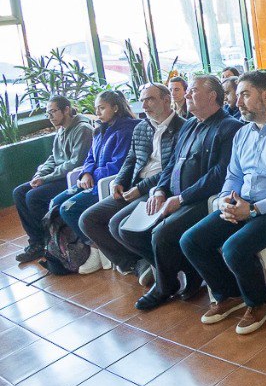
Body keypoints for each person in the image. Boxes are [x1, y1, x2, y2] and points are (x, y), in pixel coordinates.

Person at [179, 71, 266, 334]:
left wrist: (252, 210)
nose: (237, 102)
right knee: (191, 240)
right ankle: (229, 294)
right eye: (237, 95)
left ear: (265, 95)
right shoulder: (242, 134)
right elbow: (234, 175)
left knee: (234, 248)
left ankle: (259, 302)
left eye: (244, 94)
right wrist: (225, 200)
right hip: (244, 204)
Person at [129, 76, 241, 311]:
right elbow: (171, 164)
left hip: (202, 200)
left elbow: (219, 175)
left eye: (192, 91)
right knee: (126, 228)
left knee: (160, 234)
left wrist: (181, 199)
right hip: (172, 195)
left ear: (212, 96)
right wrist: (159, 189)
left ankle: (164, 287)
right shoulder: (190, 124)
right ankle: (188, 270)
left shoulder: (229, 127)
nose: (186, 95)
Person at [79, 84, 184, 280]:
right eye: (142, 100)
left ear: (166, 100)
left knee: (117, 225)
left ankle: (166, 270)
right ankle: (137, 263)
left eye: (150, 99)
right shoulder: (142, 127)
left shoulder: (182, 128)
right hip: (135, 185)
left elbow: (173, 169)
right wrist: (119, 181)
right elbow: (131, 158)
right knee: (88, 220)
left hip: (160, 188)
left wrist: (139, 188)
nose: (144, 105)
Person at [49, 91, 139, 273]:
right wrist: (86, 173)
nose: (98, 112)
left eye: (102, 108)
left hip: (107, 183)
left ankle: (98, 250)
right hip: (91, 180)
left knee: (69, 208)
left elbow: (118, 165)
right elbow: (90, 157)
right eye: (96, 108)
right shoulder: (99, 130)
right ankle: (88, 250)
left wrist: (94, 176)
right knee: (55, 203)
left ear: (115, 108)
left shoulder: (127, 129)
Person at [13, 97, 94, 263]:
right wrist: (40, 173)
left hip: (73, 177)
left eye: (53, 111)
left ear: (66, 110)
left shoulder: (83, 129)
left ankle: (52, 240)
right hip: (57, 175)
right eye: (47, 112)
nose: (50, 116)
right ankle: (36, 242)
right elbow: (53, 157)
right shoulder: (61, 130)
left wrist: (46, 178)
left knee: (33, 197)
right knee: (19, 192)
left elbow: (75, 163)